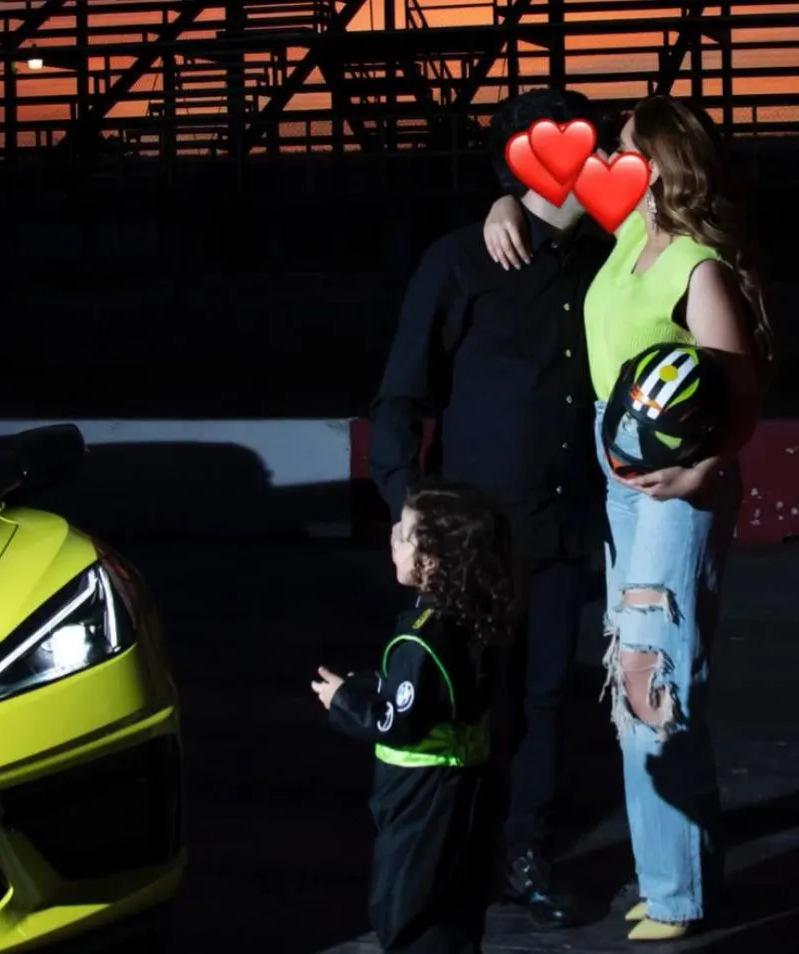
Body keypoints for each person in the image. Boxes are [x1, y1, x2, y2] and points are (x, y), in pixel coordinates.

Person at [481, 95, 774, 941]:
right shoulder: (619, 238)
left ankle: (675, 897)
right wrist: (501, 200)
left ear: (662, 161)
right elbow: (538, 199)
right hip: (620, 486)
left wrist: (702, 471)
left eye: (624, 146)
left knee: (649, 685)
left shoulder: (694, 263)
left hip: (672, 490)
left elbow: (741, 391)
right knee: (645, 681)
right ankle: (687, 871)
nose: (608, 156)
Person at [368, 87, 619, 927]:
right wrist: (411, 510)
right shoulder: (457, 261)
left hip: (559, 524)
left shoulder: (606, 261)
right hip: (471, 532)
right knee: (457, 697)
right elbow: (401, 396)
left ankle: (524, 849)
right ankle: (445, 845)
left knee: (544, 698)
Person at [312, 480, 516, 954]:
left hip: (423, 801)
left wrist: (344, 699)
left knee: (406, 911)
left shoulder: (421, 640)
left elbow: (397, 722)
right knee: (457, 909)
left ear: (432, 559)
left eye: (404, 535)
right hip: (469, 790)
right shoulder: (472, 616)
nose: (392, 539)